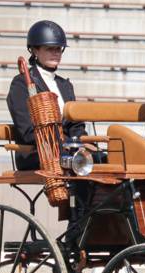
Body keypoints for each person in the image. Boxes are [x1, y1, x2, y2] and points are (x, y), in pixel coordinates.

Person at [6, 20, 88, 170]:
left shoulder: (65, 86)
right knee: (78, 162)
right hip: (36, 152)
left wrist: (82, 144)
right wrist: (64, 143)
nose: (56, 53)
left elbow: (76, 125)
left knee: (102, 158)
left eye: (59, 49)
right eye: (50, 48)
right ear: (35, 51)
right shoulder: (21, 84)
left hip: (67, 151)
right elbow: (27, 132)